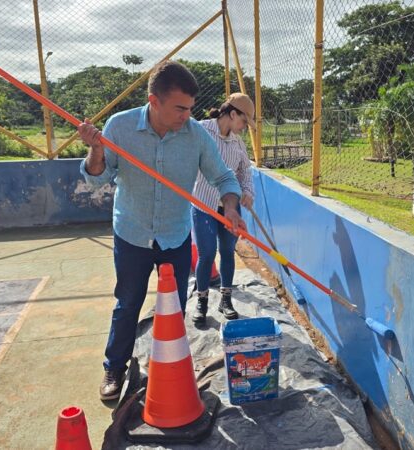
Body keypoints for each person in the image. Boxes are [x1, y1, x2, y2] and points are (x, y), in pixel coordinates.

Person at [78, 60, 246, 401]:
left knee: (174, 306)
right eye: (179, 108)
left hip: (175, 234)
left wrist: (229, 206)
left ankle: (170, 366)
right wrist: (96, 148)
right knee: (128, 302)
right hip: (133, 233)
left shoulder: (195, 134)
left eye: (190, 108)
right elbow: (96, 177)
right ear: (154, 101)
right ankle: (114, 367)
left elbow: (224, 177)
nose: (187, 115)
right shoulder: (120, 127)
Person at [191, 93, 256, 325]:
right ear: (232, 114)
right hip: (203, 204)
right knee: (207, 253)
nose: (244, 128)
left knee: (228, 251)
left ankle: (225, 298)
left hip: (230, 206)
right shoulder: (200, 130)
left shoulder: (238, 143)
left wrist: (248, 192)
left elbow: (245, 172)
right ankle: (202, 300)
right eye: (243, 122)